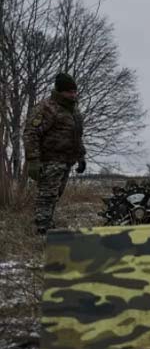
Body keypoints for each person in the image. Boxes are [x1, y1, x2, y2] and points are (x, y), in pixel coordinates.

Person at [23, 73, 87, 234]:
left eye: (74, 91)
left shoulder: (74, 111)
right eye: (69, 92)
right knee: (47, 195)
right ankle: (42, 229)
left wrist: (81, 157)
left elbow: (77, 136)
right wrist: (33, 160)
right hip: (49, 160)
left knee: (56, 195)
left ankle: (47, 224)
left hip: (67, 161)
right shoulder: (46, 108)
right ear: (59, 91)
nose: (73, 94)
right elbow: (31, 133)